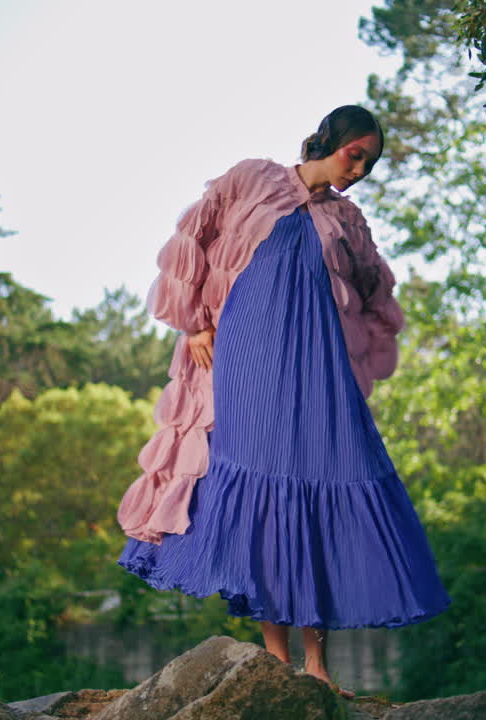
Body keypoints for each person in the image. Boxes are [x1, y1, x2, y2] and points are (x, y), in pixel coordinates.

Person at [115, 105, 451, 698]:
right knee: (262, 494)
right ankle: (275, 661)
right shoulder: (252, 179)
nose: (361, 170)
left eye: (370, 164)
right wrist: (194, 323)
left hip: (318, 373)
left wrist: (353, 339)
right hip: (247, 365)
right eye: (357, 155)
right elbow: (192, 236)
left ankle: (317, 667)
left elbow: (376, 288)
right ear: (330, 139)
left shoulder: (347, 220)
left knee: (325, 482)